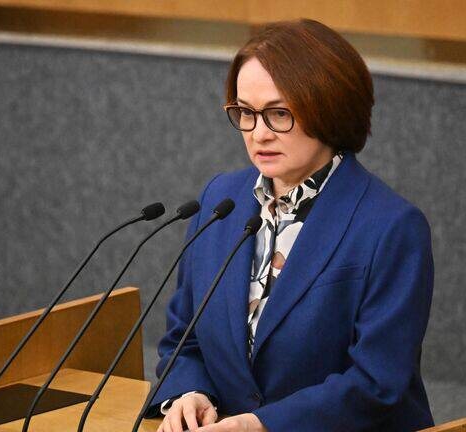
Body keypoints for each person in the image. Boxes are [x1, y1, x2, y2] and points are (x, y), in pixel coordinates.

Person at [149, 19, 434, 432]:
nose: (258, 134)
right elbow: (184, 336)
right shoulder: (220, 200)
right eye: (245, 113)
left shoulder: (392, 228)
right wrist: (190, 393)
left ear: (330, 109)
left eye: (279, 113)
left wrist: (260, 425)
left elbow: (376, 381)